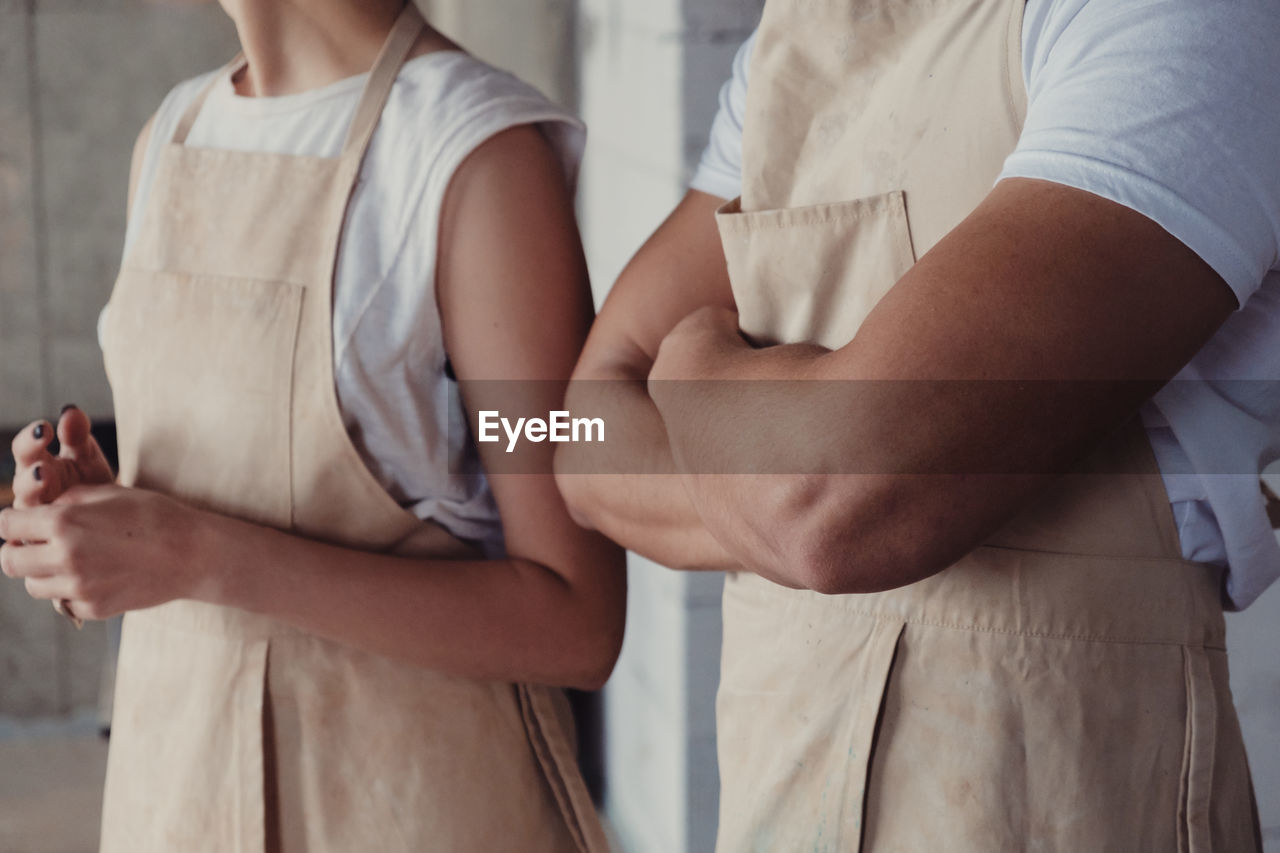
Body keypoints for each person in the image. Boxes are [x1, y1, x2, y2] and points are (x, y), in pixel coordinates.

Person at [557, 0, 1279, 849]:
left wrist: (690, 368)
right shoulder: (790, 47)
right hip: (778, 783)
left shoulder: (1170, 17)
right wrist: (785, 480)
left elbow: (831, 500)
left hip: (1062, 790)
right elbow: (582, 443)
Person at [0, 1, 623, 851]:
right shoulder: (170, 139)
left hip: (413, 809)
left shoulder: (478, 163)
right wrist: (102, 532)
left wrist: (194, 552)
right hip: (171, 797)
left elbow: (578, 620)